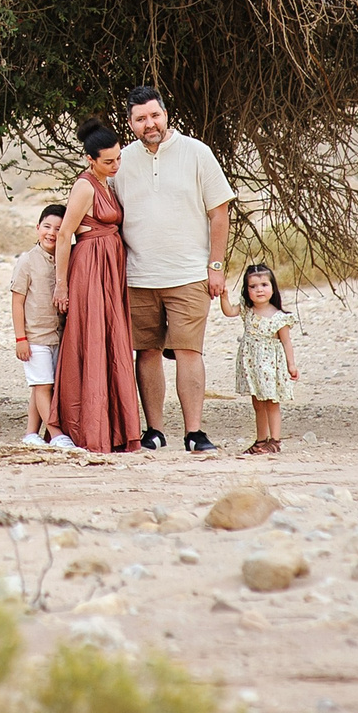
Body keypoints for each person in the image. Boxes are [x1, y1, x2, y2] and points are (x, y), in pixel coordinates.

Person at [117, 86, 236, 453]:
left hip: (189, 274)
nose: (149, 123)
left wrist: (216, 266)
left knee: (188, 351)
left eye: (155, 115)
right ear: (131, 123)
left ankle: (194, 433)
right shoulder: (121, 161)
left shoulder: (197, 152)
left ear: (166, 114)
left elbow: (219, 213)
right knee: (146, 352)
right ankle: (153, 430)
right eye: (141, 118)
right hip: (138, 276)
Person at [51, 121, 143, 454]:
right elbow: (65, 235)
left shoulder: (107, 183)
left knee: (110, 340)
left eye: (118, 158)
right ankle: (89, 428)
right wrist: (61, 285)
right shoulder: (85, 186)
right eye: (108, 161)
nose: (115, 165)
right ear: (90, 159)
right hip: (90, 268)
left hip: (109, 269)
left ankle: (114, 428)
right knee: (90, 338)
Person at [9, 205, 75, 449]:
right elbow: (17, 301)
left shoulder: (65, 259)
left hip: (58, 334)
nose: (51, 233)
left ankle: (30, 433)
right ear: (37, 228)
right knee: (43, 385)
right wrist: (20, 339)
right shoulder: (27, 261)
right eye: (47, 227)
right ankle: (56, 434)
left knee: (41, 386)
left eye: (58, 229)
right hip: (35, 336)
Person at [219, 260, 299, 454]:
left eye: (264, 285)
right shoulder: (247, 310)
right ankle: (261, 440)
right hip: (252, 366)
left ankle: (275, 441)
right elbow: (229, 311)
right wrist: (224, 296)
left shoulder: (279, 317)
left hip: (270, 367)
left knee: (271, 402)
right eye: (253, 286)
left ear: (273, 287)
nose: (259, 290)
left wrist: (291, 365)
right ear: (247, 290)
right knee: (257, 403)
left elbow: (286, 342)